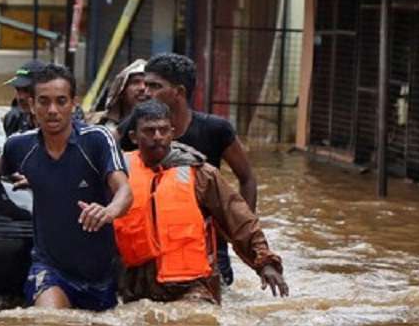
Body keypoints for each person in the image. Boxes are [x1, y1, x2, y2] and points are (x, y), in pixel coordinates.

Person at [0, 64, 131, 312]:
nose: (52, 110)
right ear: (32, 105)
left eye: (61, 101)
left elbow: (124, 191)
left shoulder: (97, 140)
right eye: (44, 102)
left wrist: (109, 211)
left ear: (73, 104)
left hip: (100, 274)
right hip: (51, 269)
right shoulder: (20, 145)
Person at [115, 100, 287, 304]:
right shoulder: (117, 172)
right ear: (134, 137)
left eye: (163, 130)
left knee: (195, 323)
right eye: (149, 131)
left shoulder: (201, 174)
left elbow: (238, 218)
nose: (157, 137)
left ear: (172, 132)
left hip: (191, 285)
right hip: (133, 285)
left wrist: (265, 262)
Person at [144, 53, 258, 285]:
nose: (146, 92)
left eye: (155, 86)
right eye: (146, 85)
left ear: (179, 92)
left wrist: (240, 231)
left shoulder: (215, 130)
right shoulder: (138, 130)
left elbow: (247, 179)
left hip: (210, 241)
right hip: (157, 240)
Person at [91, 58, 147, 146]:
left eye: (147, 83)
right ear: (122, 90)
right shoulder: (100, 125)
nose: (142, 88)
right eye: (136, 82)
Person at [2, 59, 45, 136]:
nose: (21, 97)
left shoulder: (60, 123)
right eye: (18, 89)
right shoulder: (13, 120)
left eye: (27, 90)